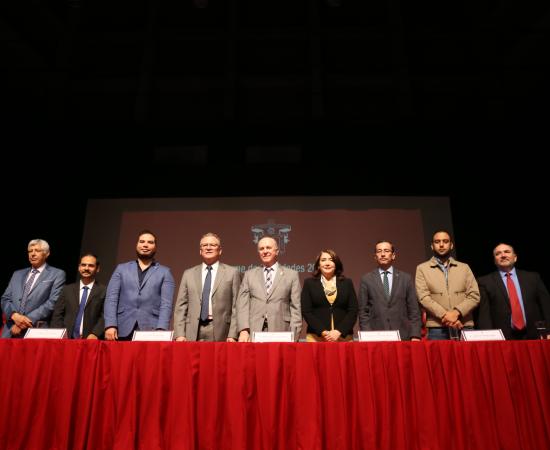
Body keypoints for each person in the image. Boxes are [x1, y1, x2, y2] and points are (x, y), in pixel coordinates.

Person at [104, 230, 175, 340]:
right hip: (120, 328)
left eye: (150, 242)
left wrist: (161, 329)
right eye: (142, 241)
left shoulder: (165, 272)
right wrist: (110, 325)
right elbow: (111, 299)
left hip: (151, 330)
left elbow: (166, 304)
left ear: (155, 247)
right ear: (136, 245)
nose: (145, 245)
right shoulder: (121, 269)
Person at [173, 233, 241, 342]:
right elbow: (181, 306)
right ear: (200, 251)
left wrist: (233, 334)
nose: (208, 248)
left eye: (213, 245)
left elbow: (237, 306)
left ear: (220, 250)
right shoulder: (188, 274)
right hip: (192, 330)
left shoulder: (232, 273)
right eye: (204, 245)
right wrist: (180, 334)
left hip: (222, 330)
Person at [415, 230, 480, 340]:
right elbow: (423, 298)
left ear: (451, 245)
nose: (441, 245)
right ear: (432, 246)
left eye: (445, 241)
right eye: (437, 242)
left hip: (464, 324)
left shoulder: (464, 268)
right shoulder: (422, 269)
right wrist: (446, 316)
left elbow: (474, 295)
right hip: (437, 328)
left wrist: (456, 313)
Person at [477, 243, 550, 340]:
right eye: (498, 254)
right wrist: (488, 338)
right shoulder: (485, 282)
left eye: (507, 252)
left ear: (515, 258)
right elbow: (484, 314)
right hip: (503, 339)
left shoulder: (533, 278)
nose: (503, 255)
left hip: (535, 336)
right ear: (495, 261)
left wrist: (548, 331)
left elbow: (546, 306)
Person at [236, 236, 301, 342]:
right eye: (261, 249)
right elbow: (242, 305)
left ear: (277, 251)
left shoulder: (291, 275)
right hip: (254, 331)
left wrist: (294, 336)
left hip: (281, 331)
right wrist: (243, 330)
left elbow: (296, 308)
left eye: (268, 248)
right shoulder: (249, 275)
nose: (265, 251)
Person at [1, 239, 66, 338]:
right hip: (10, 329)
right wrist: (14, 315)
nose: (33, 254)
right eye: (30, 251)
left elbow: (52, 302)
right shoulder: (17, 274)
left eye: (37, 250)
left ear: (47, 253)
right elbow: (5, 299)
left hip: (35, 329)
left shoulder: (57, 274)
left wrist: (23, 322)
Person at [358, 241, 421, 341]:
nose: (382, 254)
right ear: (375, 256)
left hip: (403, 335)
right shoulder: (366, 279)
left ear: (393, 255)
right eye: (379, 251)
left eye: (386, 251)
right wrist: (367, 335)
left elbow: (414, 310)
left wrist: (415, 335)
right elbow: (363, 312)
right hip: (376, 336)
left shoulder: (405, 278)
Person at [301, 249, 357, 342]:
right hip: (316, 337)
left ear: (336, 264)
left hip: (343, 337)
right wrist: (323, 331)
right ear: (318, 265)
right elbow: (306, 311)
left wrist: (339, 331)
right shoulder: (309, 283)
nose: (327, 263)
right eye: (323, 260)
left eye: (331, 260)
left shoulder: (347, 283)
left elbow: (353, 310)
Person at [50, 253, 106, 339]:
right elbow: (57, 314)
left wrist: (95, 333)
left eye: (91, 266)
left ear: (97, 269)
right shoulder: (67, 290)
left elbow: (105, 315)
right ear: (79, 267)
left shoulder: (104, 291)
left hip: (91, 339)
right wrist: (60, 333)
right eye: (83, 265)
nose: (86, 268)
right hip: (66, 339)